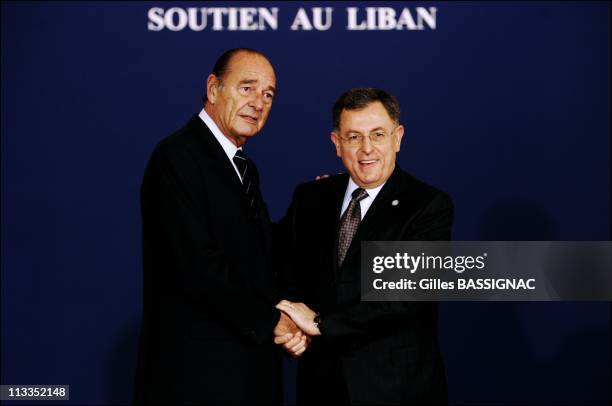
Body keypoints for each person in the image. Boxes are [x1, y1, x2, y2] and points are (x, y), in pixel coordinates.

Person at [134, 48, 303, 405]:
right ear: (213, 89)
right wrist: (273, 320)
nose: (259, 102)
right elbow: (198, 265)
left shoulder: (242, 166)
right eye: (247, 88)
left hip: (243, 376)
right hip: (197, 382)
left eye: (268, 94)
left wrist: (312, 208)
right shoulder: (177, 158)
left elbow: (254, 253)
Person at [274, 88, 453, 404]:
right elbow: (281, 268)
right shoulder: (311, 198)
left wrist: (319, 324)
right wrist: (287, 324)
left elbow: (403, 297)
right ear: (337, 143)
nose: (366, 149)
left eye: (378, 135)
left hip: (396, 390)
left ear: (397, 138)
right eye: (354, 137)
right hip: (321, 386)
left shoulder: (427, 206)